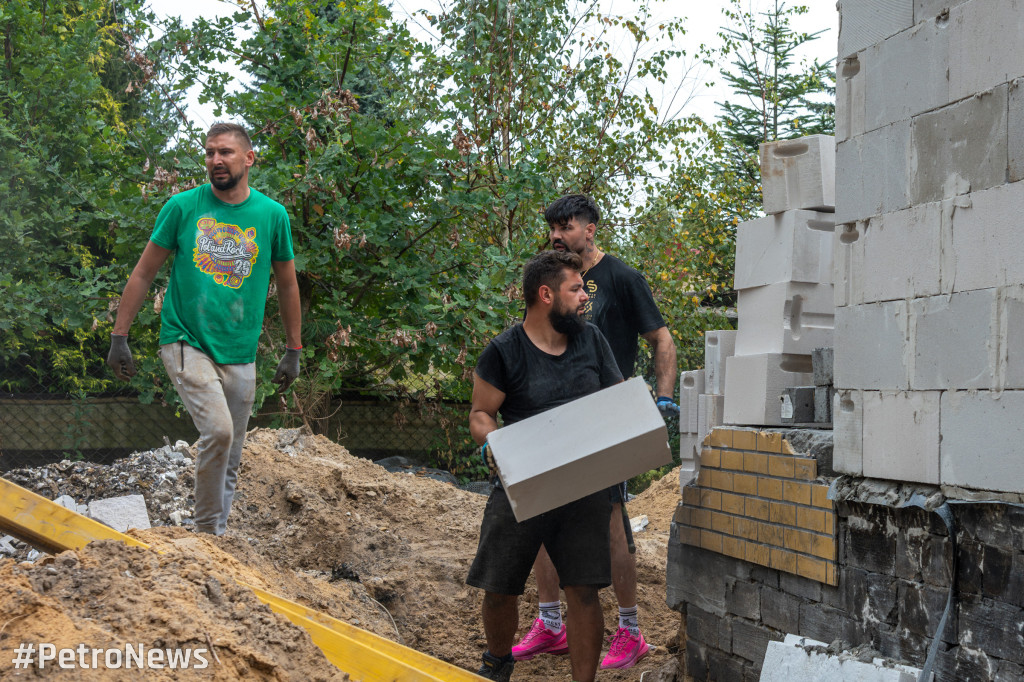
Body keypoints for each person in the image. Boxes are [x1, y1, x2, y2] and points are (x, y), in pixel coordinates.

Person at [106, 122, 302, 536]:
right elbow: (143, 273)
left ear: (249, 159)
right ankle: (207, 535)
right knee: (218, 431)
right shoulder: (182, 207)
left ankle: (218, 538)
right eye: (210, 152)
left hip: (240, 350)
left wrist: (293, 348)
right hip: (185, 340)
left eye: (226, 152)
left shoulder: (271, 216)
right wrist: (119, 337)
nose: (216, 160)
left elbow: (286, 283)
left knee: (231, 453)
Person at [511, 194, 678, 670]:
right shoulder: (549, 279)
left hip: (605, 422)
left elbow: (661, 338)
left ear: (591, 229)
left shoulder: (622, 279)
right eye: (553, 227)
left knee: (611, 527)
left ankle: (630, 631)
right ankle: (550, 625)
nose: (557, 234)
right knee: (542, 515)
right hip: (552, 421)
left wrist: (661, 399)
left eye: (566, 226)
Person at [467, 250, 623, 682]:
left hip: (583, 485)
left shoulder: (592, 341)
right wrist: (491, 444)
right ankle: (498, 663)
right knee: (499, 587)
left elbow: (617, 399)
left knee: (584, 590)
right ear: (545, 294)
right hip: (523, 480)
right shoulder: (503, 350)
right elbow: (481, 414)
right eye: (576, 289)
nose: (584, 298)